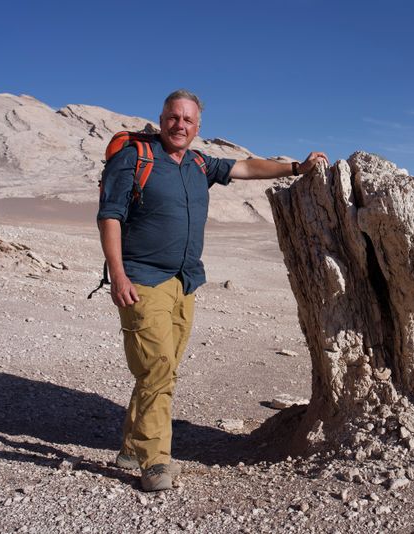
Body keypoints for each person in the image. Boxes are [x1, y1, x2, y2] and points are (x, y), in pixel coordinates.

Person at [97, 89, 328, 491]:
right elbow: (110, 216)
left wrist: (295, 167)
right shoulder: (135, 158)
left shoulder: (199, 163)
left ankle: (133, 446)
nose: (180, 125)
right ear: (162, 118)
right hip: (141, 278)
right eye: (173, 117)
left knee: (163, 367)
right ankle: (155, 462)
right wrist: (117, 274)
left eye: (188, 120)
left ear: (197, 127)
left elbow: (247, 168)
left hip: (184, 280)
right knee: (157, 367)